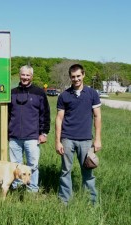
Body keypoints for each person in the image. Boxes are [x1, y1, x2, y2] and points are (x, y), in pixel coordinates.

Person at [55, 63, 102, 205]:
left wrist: (98, 139)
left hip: (86, 140)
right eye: (73, 76)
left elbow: (97, 116)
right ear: (70, 77)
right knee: (65, 171)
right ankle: (64, 201)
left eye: (78, 76)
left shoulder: (92, 94)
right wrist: (57, 141)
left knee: (88, 171)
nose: (76, 79)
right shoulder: (64, 95)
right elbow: (59, 119)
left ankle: (92, 202)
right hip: (67, 139)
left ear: (83, 75)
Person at [8, 65, 51, 192]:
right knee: (16, 166)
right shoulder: (12, 93)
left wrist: (44, 133)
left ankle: (32, 189)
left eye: (28, 75)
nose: (25, 77)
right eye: (23, 75)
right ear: (19, 75)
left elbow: (45, 113)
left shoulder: (39, 93)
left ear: (31, 76)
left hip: (32, 137)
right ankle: (16, 187)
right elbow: (7, 114)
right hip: (14, 136)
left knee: (33, 165)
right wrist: (7, 133)